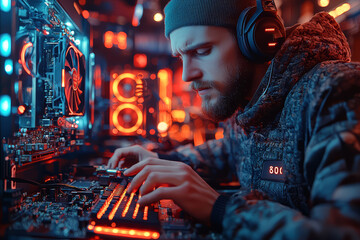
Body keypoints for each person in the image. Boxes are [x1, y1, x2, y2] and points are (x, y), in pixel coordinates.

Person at [108, 0, 360, 238]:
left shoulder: (339, 92)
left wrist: (221, 209)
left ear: (256, 40)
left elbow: (339, 234)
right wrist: (163, 160)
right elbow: (228, 152)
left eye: (202, 50)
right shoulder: (249, 104)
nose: (187, 74)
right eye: (180, 57)